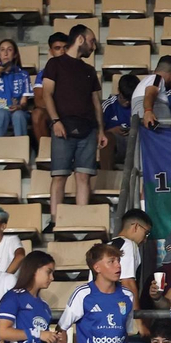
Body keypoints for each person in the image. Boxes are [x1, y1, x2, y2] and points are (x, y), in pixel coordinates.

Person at [37, 24, 105, 222]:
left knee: (83, 177)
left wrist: (100, 130)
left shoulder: (90, 70)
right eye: (92, 41)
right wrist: (55, 121)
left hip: (88, 128)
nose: (94, 46)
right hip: (63, 126)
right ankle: (55, 220)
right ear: (81, 39)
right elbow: (47, 94)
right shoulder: (54, 64)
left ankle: (81, 221)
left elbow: (96, 103)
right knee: (59, 176)